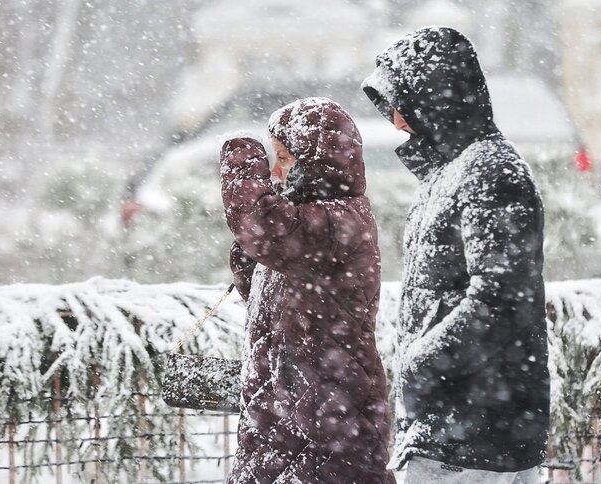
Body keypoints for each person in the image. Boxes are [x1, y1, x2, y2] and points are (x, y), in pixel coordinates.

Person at [361, 27, 550, 483]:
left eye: (401, 106)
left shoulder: (489, 170)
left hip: (479, 431)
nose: (397, 122)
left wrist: (425, 363)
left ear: (436, 99)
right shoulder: (450, 173)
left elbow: (501, 297)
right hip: (452, 425)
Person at [220, 97, 396, 484]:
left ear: (316, 164)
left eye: (284, 158)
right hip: (283, 415)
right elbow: (267, 296)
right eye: (273, 158)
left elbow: (262, 226)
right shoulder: (309, 220)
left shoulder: (339, 220)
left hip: (325, 422)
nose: (276, 172)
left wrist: (242, 158)